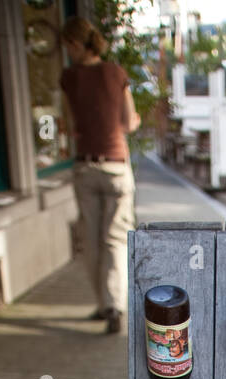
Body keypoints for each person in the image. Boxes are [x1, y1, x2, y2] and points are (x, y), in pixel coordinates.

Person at [60, 16, 139, 334]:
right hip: (116, 164)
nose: (67, 52)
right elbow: (130, 121)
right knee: (115, 239)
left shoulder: (69, 78)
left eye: (67, 46)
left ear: (76, 44)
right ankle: (115, 305)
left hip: (85, 165)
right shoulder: (116, 74)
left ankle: (104, 304)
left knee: (92, 240)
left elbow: (68, 125)